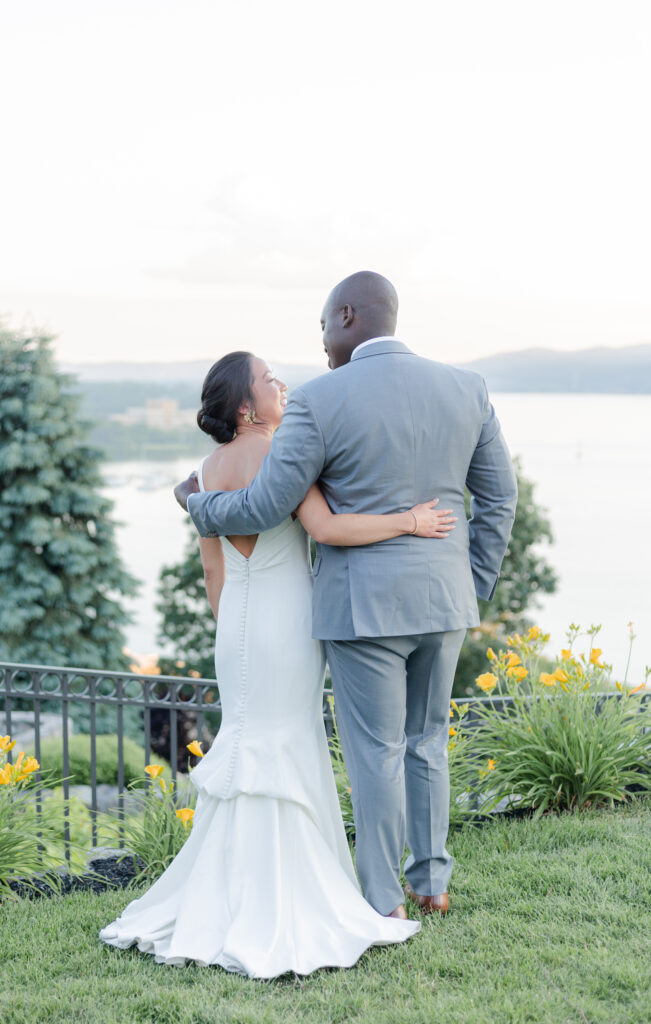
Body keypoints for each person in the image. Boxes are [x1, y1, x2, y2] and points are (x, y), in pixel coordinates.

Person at [99, 348, 457, 978]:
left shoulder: (206, 471)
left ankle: (229, 893)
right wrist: (410, 520)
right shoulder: (278, 453)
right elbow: (326, 528)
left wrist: (234, 627)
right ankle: (290, 896)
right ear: (245, 406)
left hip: (235, 621)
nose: (280, 385)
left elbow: (214, 571)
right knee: (288, 739)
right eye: (269, 380)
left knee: (244, 740)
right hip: (289, 621)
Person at [182, 272, 518, 922]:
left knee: (376, 751)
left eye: (321, 328)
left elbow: (268, 504)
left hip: (362, 609)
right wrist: (468, 585)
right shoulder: (466, 388)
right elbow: (498, 500)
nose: (321, 345)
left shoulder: (320, 398)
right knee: (427, 740)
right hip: (443, 601)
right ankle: (433, 883)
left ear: (344, 316)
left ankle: (383, 901)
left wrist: (199, 506)